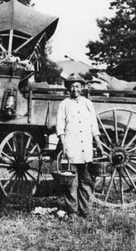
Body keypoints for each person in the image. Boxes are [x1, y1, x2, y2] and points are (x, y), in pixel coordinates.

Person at [56, 75, 104, 219]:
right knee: (71, 184)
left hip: (86, 149)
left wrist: (99, 143)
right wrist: (63, 143)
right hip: (72, 147)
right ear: (68, 88)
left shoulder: (88, 103)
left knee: (87, 182)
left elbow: (93, 126)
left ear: (82, 88)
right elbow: (60, 125)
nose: (75, 89)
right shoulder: (64, 104)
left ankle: (86, 211)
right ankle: (72, 212)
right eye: (72, 86)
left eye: (78, 86)